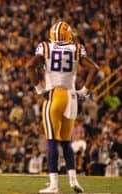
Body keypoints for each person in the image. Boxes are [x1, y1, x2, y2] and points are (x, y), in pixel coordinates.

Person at [27, 21, 99, 193]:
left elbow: (30, 66)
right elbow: (95, 69)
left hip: (54, 95)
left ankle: (54, 185)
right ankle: (73, 181)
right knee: (67, 142)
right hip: (71, 96)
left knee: (52, 140)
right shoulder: (76, 47)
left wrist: (39, 89)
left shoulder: (45, 47)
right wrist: (84, 91)